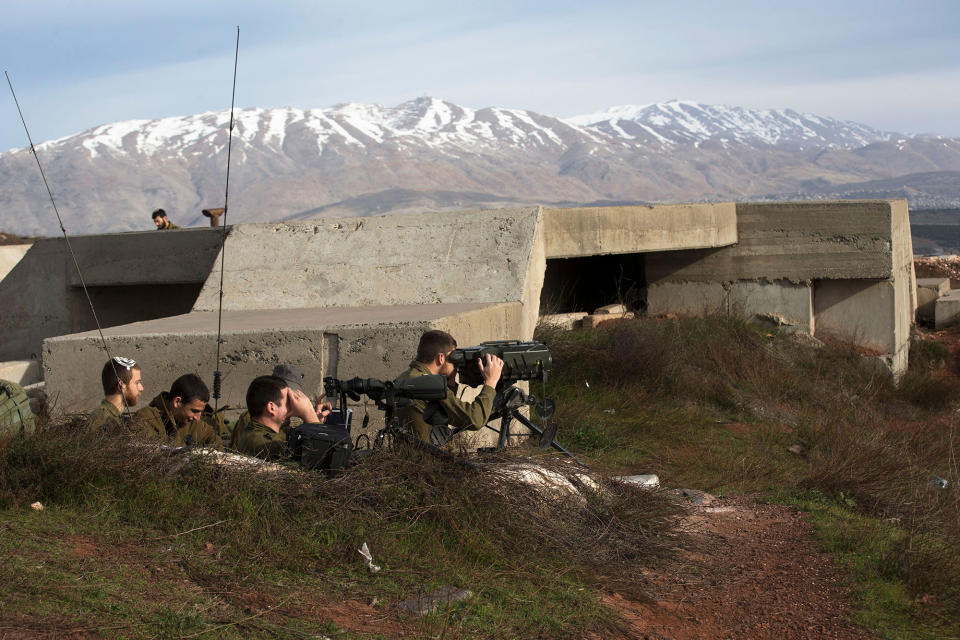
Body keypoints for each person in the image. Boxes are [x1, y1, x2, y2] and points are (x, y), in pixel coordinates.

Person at [395, 330, 504, 444]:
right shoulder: (431, 385)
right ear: (441, 358)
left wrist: (450, 380)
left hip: (406, 457)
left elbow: (442, 410)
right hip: (425, 459)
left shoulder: (406, 377)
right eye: (453, 360)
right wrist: (490, 382)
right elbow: (475, 419)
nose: (456, 365)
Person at [232, 374, 332, 460]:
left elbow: (297, 442)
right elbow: (322, 458)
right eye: (289, 401)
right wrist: (309, 416)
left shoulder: (262, 431)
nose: (293, 405)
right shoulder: (263, 443)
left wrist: (313, 423)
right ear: (272, 408)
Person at [134, 373, 221, 447]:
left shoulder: (192, 424)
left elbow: (214, 441)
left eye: (200, 412)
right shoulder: (146, 420)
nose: (198, 418)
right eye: (195, 411)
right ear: (177, 402)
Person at [85, 356, 143, 432]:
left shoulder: (114, 417)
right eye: (137, 383)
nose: (141, 388)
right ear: (121, 386)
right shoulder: (102, 419)